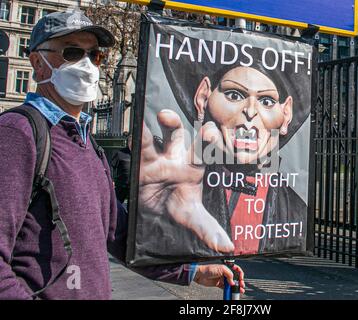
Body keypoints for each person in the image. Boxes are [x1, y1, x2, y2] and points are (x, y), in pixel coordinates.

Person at [0, 10, 244, 300]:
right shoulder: (17, 133)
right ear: (38, 64)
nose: (88, 65)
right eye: (73, 52)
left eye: (95, 55)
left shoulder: (85, 142)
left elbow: (117, 234)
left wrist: (191, 271)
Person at [138, 44, 310, 258]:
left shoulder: (297, 212)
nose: (250, 112)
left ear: (286, 114)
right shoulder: (180, 186)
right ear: (203, 98)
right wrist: (154, 215)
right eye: (234, 95)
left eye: (266, 101)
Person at [111, 133, 132, 205]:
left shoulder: (140, 153)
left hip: (133, 186)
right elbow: (112, 166)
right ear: (128, 142)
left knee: (132, 206)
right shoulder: (120, 153)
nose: (132, 143)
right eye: (130, 141)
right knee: (117, 205)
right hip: (121, 184)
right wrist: (112, 179)